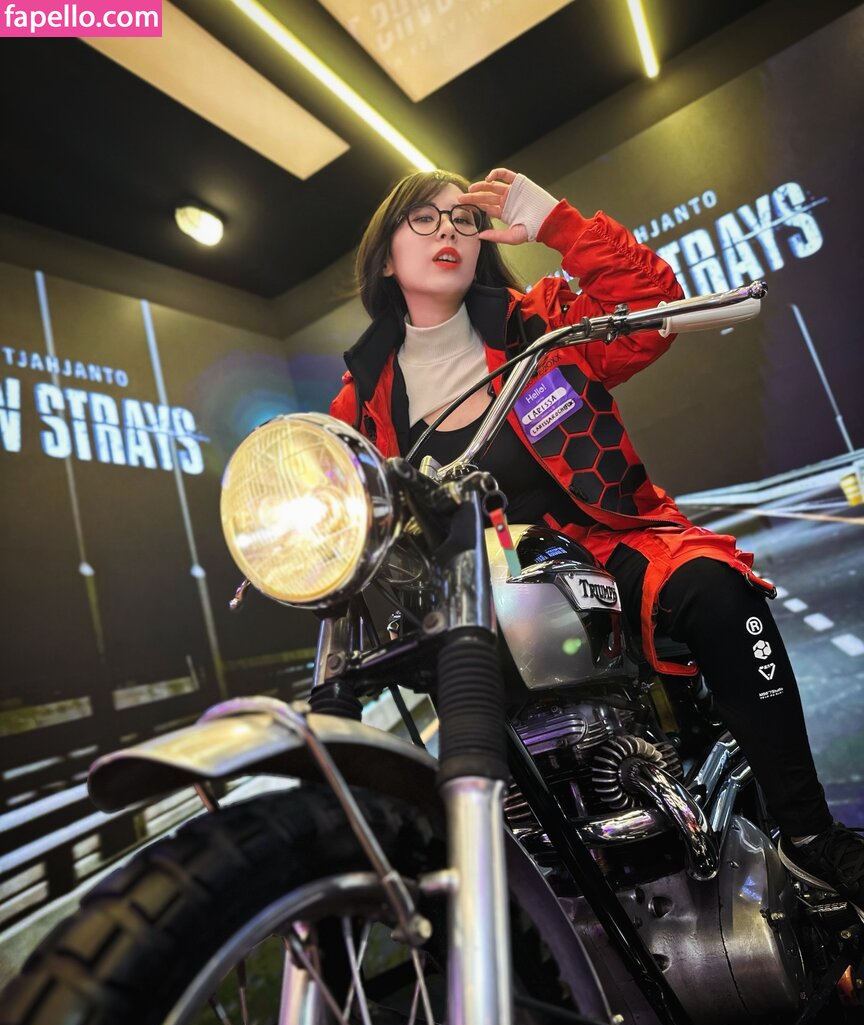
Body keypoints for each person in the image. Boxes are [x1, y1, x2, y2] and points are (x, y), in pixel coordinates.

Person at [330, 166, 863, 914]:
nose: (448, 230)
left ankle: (808, 835)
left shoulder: (538, 323)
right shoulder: (362, 401)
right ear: (386, 257)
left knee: (715, 590)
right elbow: (334, 501)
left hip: (610, 546)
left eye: (464, 219)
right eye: (425, 218)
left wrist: (557, 223)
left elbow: (652, 307)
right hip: (477, 595)